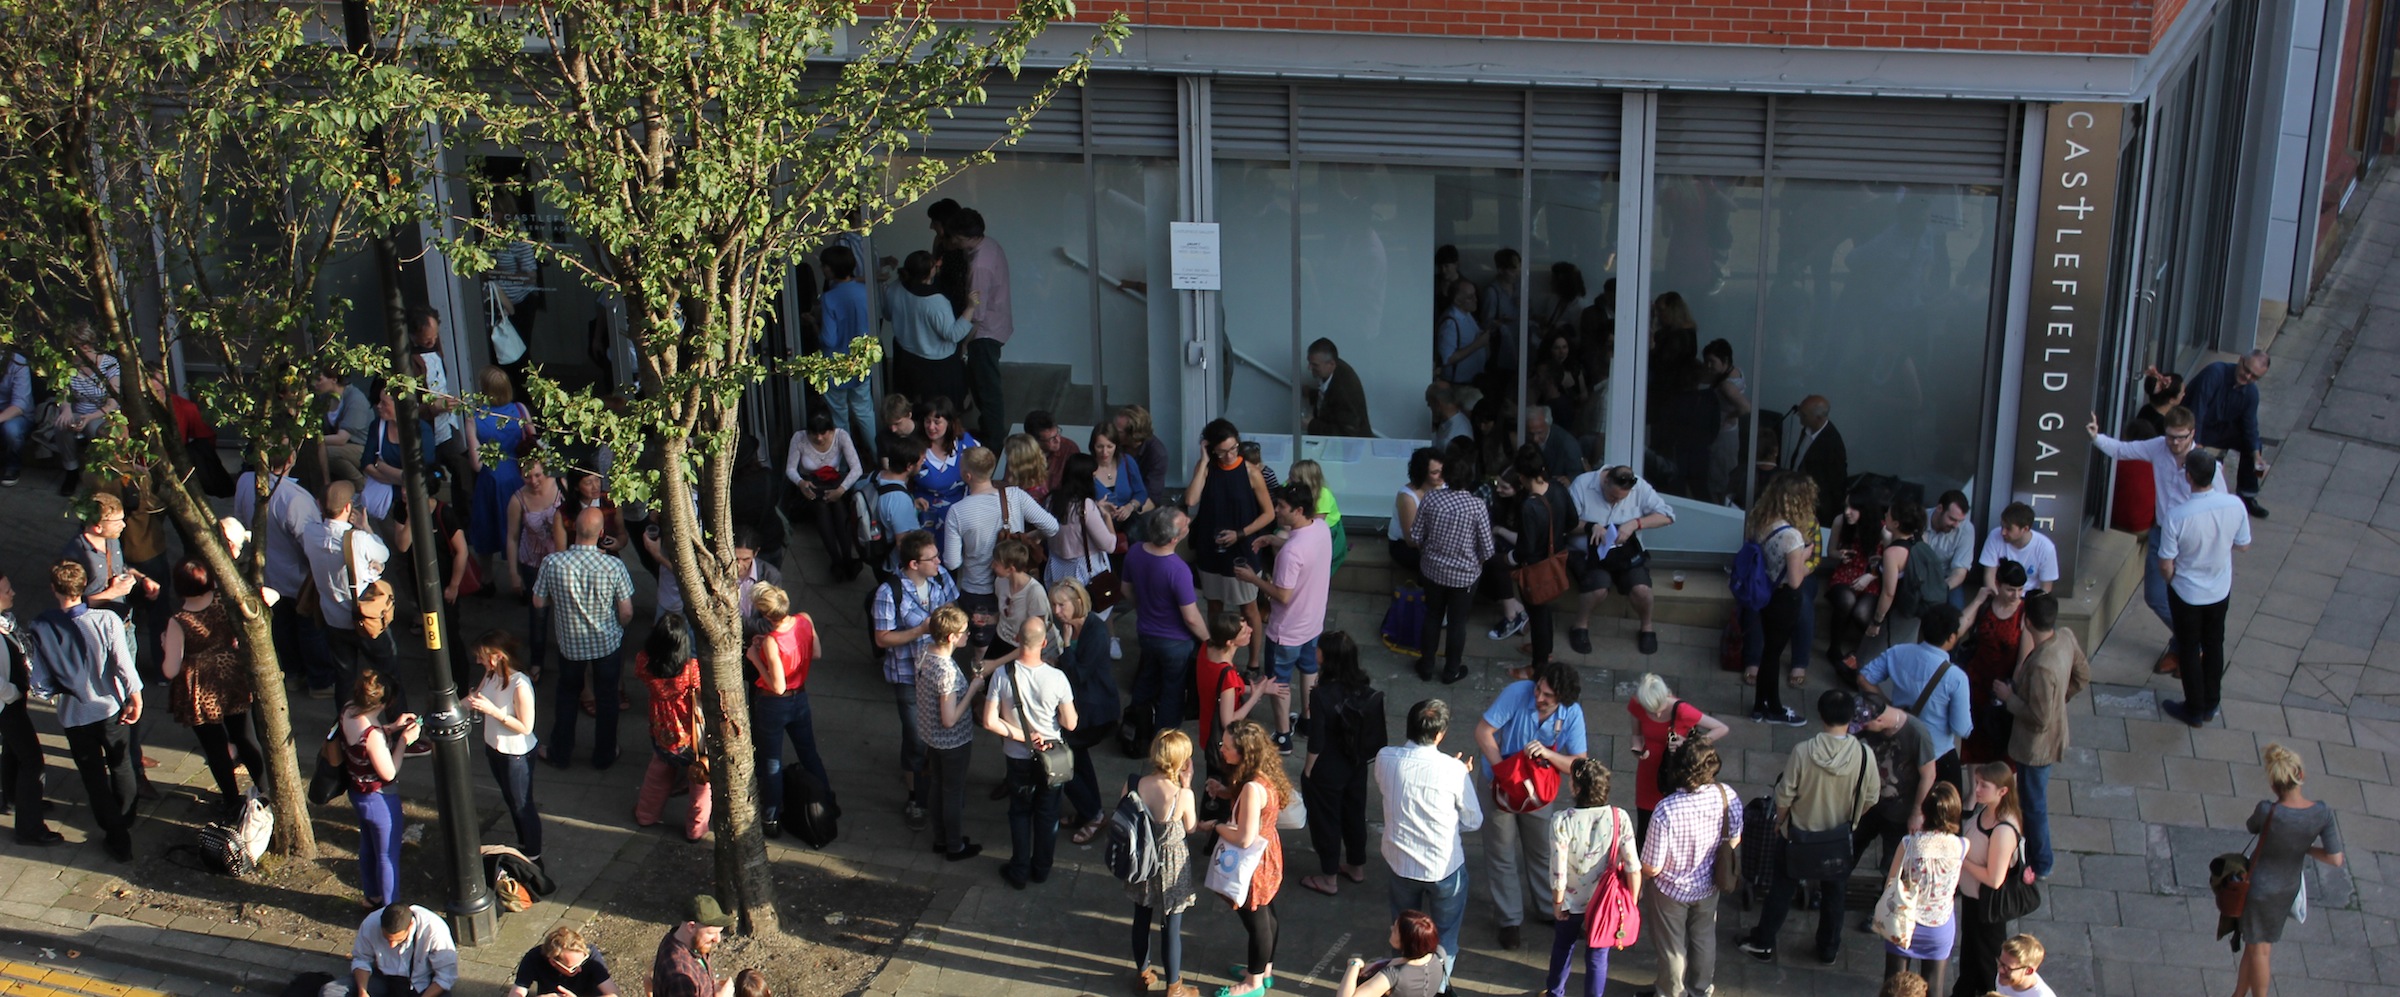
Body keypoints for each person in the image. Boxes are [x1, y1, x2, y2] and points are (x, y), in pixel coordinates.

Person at [1739, 689, 1880, 966]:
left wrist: (1780, 822)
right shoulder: (1864, 755)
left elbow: (1784, 795)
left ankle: (1763, 942)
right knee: (1834, 895)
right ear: (1851, 717)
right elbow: (1872, 797)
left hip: (1798, 836)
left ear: (1821, 715)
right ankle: (1828, 949)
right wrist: (1852, 820)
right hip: (1838, 839)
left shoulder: (1803, 752)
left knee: (1781, 889)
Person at [2087, 406, 2219, 675]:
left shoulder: (2204, 463)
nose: (2175, 443)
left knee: (2186, 595)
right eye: (2171, 436)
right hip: (2162, 531)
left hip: (2190, 538)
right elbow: (2123, 450)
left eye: (2181, 437)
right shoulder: (2158, 447)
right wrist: (2096, 437)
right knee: (2156, 596)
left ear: (2192, 434)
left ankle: (2183, 647)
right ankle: (2193, 640)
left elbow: (2222, 503)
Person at [27, 556, 144, 859]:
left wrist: (54, 694)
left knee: (93, 777)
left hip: (74, 715)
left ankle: (115, 834)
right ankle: (125, 818)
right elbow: (123, 665)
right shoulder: (106, 620)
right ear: (83, 587)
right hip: (110, 708)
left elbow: (39, 683)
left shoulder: (44, 628)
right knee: (122, 765)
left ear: (55, 589)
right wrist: (135, 696)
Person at [1475, 659, 1587, 949]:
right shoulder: (1517, 693)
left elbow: (1579, 762)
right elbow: (1483, 732)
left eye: (1547, 695)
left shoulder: (1572, 714)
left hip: (1537, 792)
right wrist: (1502, 773)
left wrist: (1549, 756)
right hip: (1498, 786)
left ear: (1561, 698)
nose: (1538, 697)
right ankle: (1509, 920)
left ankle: (1549, 908)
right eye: (1539, 689)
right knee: (1501, 853)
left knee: (1542, 851)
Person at [1376, 699, 1482, 988]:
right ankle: (1437, 988)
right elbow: (1474, 821)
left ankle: (1398, 985)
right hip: (1444, 868)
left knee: (1403, 932)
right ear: (1440, 734)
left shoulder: (1385, 758)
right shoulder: (1454, 771)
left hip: (1400, 863)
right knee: (1445, 938)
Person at [2230, 743, 2345, 996]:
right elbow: (2336, 859)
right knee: (2257, 945)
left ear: (2274, 784)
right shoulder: (2323, 813)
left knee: (2259, 949)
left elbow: (2252, 826)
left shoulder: (2267, 810)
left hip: (2258, 888)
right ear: (2300, 775)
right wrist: (2304, 847)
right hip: (2286, 888)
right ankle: (2238, 994)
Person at [1233, 483, 1332, 754]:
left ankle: (1283, 737)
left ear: (1298, 510)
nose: (1275, 510)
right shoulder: (1320, 529)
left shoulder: (1290, 554)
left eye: (1281, 507)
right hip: (1313, 623)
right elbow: (1305, 548)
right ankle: (1308, 722)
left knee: (1278, 682)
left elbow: (1282, 595)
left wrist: (1253, 579)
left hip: (1286, 630)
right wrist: (1275, 540)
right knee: (1309, 671)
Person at [532, 509, 634, 768]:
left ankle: (560, 752)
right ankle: (605, 754)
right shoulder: (614, 565)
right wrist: (618, 628)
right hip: (607, 642)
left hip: (570, 643)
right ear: (601, 533)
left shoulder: (553, 563)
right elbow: (626, 611)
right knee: (608, 697)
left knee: (567, 695)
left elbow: (538, 601)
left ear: (574, 530)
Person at [1995, 592, 2086, 879]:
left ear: (2027, 621)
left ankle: (2041, 862)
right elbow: (2082, 675)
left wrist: (2009, 697)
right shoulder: (2067, 638)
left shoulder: (2043, 666)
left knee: (2034, 806)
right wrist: (2062, 699)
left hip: (2036, 748)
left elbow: (2039, 718)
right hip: (2049, 739)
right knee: (2032, 800)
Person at [1640, 739, 1742, 997]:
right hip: (1709, 886)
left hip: (1670, 891)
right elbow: (1734, 838)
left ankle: (1671, 992)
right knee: (1704, 939)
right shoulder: (1727, 796)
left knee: (1672, 948)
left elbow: (1652, 866)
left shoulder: (1667, 809)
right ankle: (1700, 989)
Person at [872, 530, 957, 833]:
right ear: (913, 563)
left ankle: (930, 785)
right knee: (916, 738)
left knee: (938, 735)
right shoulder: (889, 592)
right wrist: (921, 629)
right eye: (931, 558)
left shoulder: (941, 578)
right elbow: (883, 638)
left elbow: (955, 614)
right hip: (908, 677)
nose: (939, 561)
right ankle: (915, 798)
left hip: (939, 674)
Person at [984, 616, 1077, 890]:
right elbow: (1071, 723)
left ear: (1017, 640)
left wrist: (1022, 736)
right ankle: (1042, 868)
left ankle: (1019, 869)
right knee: (1047, 815)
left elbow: (990, 721)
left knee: (1020, 812)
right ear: (1044, 643)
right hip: (1052, 758)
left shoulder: (1002, 674)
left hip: (1017, 756)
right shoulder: (1057, 678)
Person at [2159, 449, 2251, 727]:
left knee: (2188, 648)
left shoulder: (2177, 516)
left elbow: (2165, 562)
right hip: (2219, 589)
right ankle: (2211, 702)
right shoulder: (2235, 505)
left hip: (2187, 592)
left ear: (2188, 477)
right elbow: (2244, 544)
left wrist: (2173, 580)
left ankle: (2194, 708)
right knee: (2214, 644)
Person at [1199, 720, 1291, 997]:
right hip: (1269, 853)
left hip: (1254, 863)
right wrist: (1225, 791)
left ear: (1243, 752)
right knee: (1268, 914)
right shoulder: (1262, 774)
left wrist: (1215, 826)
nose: (1222, 750)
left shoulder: (1252, 787)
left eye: (1226, 747)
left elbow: (1244, 838)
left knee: (1257, 921)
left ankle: (1253, 984)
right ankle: (1264, 971)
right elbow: (1255, 805)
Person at [159, 560, 264, 805]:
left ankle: (231, 800)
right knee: (245, 736)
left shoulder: (179, 620)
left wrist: (166, 645)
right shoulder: (223, 602)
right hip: (232, 675)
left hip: (199, 686)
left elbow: (170, 669)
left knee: (215, 746)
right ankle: (264, 787)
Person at [941, 446, 1058, 654]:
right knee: (1018, 641)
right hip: (1016, 584)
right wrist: (1028, 539)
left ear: (967, 475)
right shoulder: (1015, 495)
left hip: (978, 589)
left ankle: (985, 683)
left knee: (982, 650)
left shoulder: (958, 512)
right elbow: (1052, 526)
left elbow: (952, 562)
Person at [1542, 759, 1638, 997]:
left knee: (1563, 946)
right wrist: (1631, 903)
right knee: (1598, 955)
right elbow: (1633, 867)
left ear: (1576, 788)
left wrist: (1557, 903)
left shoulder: (1562, 820)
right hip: (1606, 903)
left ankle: (1556, 992)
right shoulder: (1619, 817)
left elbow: (1559, 870)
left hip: (1571, 902)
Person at [1184, 420, 1274, 672]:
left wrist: (1241, 533)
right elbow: (1191, 499)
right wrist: (1203, 461)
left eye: (1233, 448)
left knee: (1249, 606)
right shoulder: (1207, 468)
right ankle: (1219, 656)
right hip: (1210, 546)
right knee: (1214, 603)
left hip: (1241, 548)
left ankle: (1254, 662)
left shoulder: (1250, 472)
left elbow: (1268, 514)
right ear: (1211, 448)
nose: (1229, 455)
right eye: (1222, 451)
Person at [1298, 632, 1384, 897]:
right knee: (1354, 814)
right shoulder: (1363, 686)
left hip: (1328, 767)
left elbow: (1317, 740)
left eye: (1319, 649)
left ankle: (1329, 877)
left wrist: (1308, 770)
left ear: (1328, 657)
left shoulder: (1321, 694)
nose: (1315, 652)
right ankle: (1356, 867)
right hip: (1356, 763)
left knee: (1327, 820)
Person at [749, 582, 834, 837]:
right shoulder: (804, 620)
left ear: (765, 615)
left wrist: (755, 657)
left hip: (774, 704)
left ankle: (771, 816)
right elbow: (815, 652)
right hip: (800, 699)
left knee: (771, 760)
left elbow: (777, 685)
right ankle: (827, 801)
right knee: (809, 753)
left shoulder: (772, 643)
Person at [1566, 465, 1675, 656]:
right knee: (1598, 588)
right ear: (1605, 481)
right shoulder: (1582, 484)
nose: (1616, 502)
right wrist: (1590, 526)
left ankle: (1647, 628)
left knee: (1642, 590)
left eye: (1621, 499)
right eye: (1613, 497)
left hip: (1624, 552)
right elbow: (1565, 522)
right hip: (1590, 552)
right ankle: (1579, 626)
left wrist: (1636, 523)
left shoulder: (1639, 487)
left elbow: (1667, 516)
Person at [1862, 604, 1972, 792]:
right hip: (1937, 754)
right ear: (1952, 637)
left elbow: (1864, 677)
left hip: (1898, 743)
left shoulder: (1898, 652)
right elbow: (1961, 728)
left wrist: (1888, 706)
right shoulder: (1956, 677)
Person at [1126, 729, 1201, 997]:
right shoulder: (1182, 795)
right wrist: (1188, 784)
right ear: (1182, 762)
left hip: (1141, 860)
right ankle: (1174, 988)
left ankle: (1143, 974)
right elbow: (1191, 827)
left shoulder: (1134, 783)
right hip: (1172, 862)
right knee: (1171, 926)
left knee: (1141, 917)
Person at [1125, 507, 1210, 743]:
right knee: (1172, 691)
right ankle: (1165, 741)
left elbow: (1125, 589)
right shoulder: (1178, 570)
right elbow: (1191, 617)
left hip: (1146, 632)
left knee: (1145, 680)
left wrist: (1144, 610)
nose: (1189, 522)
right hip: (1175, 642)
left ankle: (1135, 728)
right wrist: (1209, 641)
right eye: (1185, 524)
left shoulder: (1134, 552)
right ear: (1174, 539)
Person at [1412, 445, 1495, 685]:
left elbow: (1416, 534)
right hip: (1465, 576)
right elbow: (1487, 548)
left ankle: (1426, 665)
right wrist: (1473, 562)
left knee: (1432, 616)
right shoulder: (1477, 506)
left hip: (1432, 570)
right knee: (1458, 623)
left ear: (1445, 475)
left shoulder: (1431, 498)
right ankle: (1451, 670)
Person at [340, 668, 420, 906]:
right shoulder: (373, 735)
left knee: (367, 847)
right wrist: (404, 741)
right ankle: (390, 908)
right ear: (384, 702)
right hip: (379, 799)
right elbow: (388, 772)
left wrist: (392, 728)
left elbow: (360, 743)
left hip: (357, 793)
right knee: (387, 855)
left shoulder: (348, 710)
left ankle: (372, 895)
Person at [461, 631, 542, 860]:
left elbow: (526, 727)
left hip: (516, 754)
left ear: (497, 656)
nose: (478, 661)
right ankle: (523, 845)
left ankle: (533, 855)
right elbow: (475, 697)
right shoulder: (491, 675)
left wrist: (493, 712)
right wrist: (450, 711)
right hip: (495, 749)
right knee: (511, 800)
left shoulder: (520, 684)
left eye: (481, 656)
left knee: (522, 805)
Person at [913, 606, 985, 860]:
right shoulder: (947, 671)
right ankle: (954, 846)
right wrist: (973, 689)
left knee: (937, 786)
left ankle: (941, 839)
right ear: (952, 636)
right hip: (953, 742)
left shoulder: (924, 651)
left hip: (930, 735)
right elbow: (949, 718)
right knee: (953, 792)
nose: (969, 635)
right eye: (965, 631)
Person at [1052, 581, 1121, 843]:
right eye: (1055, 605)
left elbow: (1079, 674)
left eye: (1062, 605)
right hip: (1080, 707)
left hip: (1094, 711)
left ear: (1078, 603)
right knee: (1077, 759)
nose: (1057, 611)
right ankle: (1088, 811)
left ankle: (1092, 813)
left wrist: (1066, 646)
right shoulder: (1074, 626)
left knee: (1061, 763)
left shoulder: (1094, 631)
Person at [1952, 762, 2028, 997]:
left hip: (1987, 906)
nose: (1976, 790)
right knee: (1970, 956)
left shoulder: (2003, 830)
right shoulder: (1987, 809)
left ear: (2002, 791)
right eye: (1976, 783)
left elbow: (1995, 879)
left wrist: (1961, 860)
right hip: (1973, 899)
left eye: (1983, 785)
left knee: (1987, 963)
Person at [1881, 782, 1965, 996]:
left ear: (1925, 811)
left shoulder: (1909, 843)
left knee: (1894, 986)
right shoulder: (1962, 845)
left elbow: (1891, 880)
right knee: (1934, 990)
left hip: (1904, 922)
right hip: (1939, 925)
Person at [1746, 473, 1818, 720]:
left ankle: (1759, 706)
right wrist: (1806, 557)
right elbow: (1796, 579)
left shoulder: (1762, 522)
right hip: (1785, 599)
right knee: (1773, 654)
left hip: (1765, 593)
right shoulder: (1793, 536)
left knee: (1768, 651)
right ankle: (1773, 708)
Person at [1494, 447, 1574, 665]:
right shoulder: (1558, 488)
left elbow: (1525, 549)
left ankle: (1539, 667)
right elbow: (1573, 521)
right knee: (1544, 610)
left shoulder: (1530, 506)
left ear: (1521, 476)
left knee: (1537, 615)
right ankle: (1544, 649)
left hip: (1535, 567)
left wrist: (1507, 559)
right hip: (1555, 559)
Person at [1627, 673, 1729, 838]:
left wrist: (1691, 743)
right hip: (1648, 773)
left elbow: (1721, 728)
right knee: (1645, 827)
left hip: (1674, 773)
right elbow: (1636, 736)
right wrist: (1637, 749)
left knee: (1673, 825)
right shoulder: (1637, 704)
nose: (1657, 715)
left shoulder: (1681, 709)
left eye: (1659, 708)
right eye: (1651, 711)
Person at [634, 617, 709, 842]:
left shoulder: (644, 663)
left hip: (661, 729)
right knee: (700, 782)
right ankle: (695, 829)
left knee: (658, 773)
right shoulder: (691, 669)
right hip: (690, 737)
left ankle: (646, 815)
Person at [1852, 690, 1938, 879]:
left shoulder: (1917, 733)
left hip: (1899, 814)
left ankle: (1885, 904)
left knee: (1892, 864)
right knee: (1851, 847)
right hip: (1870, 804)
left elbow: (1929, 775)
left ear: (1880, 720)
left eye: (1865, 725)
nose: (1861, 729)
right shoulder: (1870, 724)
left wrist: (1917, 813)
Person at [944, 208, 1013, 443]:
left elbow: (977, 314)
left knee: (987, 391)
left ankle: (993, 442)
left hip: (984, 334)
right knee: (986, 387)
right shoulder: (988, 245)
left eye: (954, 237)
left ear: (964, 237)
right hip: (996, 324)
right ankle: (991, 433)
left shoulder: (979, 265)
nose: (952, 241)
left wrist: (963, 345)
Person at [0, 571, 58, 843]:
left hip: (13, 701)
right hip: (5, 706)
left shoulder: (5, 621)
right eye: (6, 590)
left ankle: (15, 799)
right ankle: (30, 828)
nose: (13, 593)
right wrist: (12, 693)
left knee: (13, 752)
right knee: (32, 761)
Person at [402, 307, 478, 509]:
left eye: (435, 336)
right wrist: (431, 408)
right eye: (428, 339)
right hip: (425, 430)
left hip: (446, 425)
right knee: (430, 477)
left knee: (463, 470)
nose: (433, 341)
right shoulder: (408, 362)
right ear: (413, 335)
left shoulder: (435, 348)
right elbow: (404, 407)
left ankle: (464, 518)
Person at [2184, 350, 2272, 517]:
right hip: (2194, 425)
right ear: (2240, 360)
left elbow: (2250, 425)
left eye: (2254, 377)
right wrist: (2197, 442)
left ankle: (2247, 495)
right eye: (2246, 371)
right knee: (2196, 449)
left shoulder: (2251, 393)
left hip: (2220, 428)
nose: (2247, 378)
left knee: (2253, 445)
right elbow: (2197, 410)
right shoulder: (2215, 373)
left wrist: (2256, 456)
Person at [1956, 563, 2027, 765]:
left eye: (2020, 590)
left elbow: (2022, 659)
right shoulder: (1986, 605)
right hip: (1977, 682)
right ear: (1998, 584)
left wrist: (2011, 691)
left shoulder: (2023, 612)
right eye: (2010, 589)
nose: (2016, 595)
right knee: (1973, 743)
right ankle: (1973, 792)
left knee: (2000, 747)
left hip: (2003, 687)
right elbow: (1958, 630)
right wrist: (1977, 600)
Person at [784, 410, 867, 581]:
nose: (819, 438)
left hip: (834, 482)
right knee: (821, 507)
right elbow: (790, 469)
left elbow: (857, 468)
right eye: (814, 434)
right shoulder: (799, 438)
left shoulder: (841, 436)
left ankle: (847, 557)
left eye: (824, 433)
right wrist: (801, 483)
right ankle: (836, 560)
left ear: (831, 430)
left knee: (838, 506)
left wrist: (841, 490)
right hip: (811, 484)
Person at [889, 251, 976, 408]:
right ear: (929, 273)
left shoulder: (895, 288)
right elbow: (953, 334)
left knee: (912, 403)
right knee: (940, 407)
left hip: (906, 356)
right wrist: (970, 307)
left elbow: (888, 314)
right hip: (937, 363)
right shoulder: (935, 302)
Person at [466, 366, 533, 561]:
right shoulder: (520, 410)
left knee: (486, 527)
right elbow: (535, 443)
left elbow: (477, 464)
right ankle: (520, 572)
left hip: (491, 480)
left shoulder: (475, 417)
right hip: (519, 477)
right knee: (520, 527)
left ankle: (487, 578)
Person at [815, 244, 877, 447]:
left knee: (839, 416)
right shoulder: (864, 291)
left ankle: (848, 463)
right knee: (864, 411)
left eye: (825, 266)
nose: (823, 269)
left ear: (831, 269)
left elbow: (829, 339)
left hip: (835, 364)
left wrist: (813, 324)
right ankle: (879, 458)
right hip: (861, 360)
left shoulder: (829, 297)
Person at [345, 903, 458, 997]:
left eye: (398, 940)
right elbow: (362, 959)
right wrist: (362, 991)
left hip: (422, 984)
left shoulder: (435, 931)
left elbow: (445, 976)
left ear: (410, 926)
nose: (392, 945)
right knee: (333, 990)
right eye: (386, 938)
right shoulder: (370, 924)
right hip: (385, 979)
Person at [1334, 910, 1444, 997]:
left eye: (1396, 930)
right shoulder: (1439, 954)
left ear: (1406, 941)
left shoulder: (1392, 975)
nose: (1391, 928)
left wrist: (1354, 964)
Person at [910, 396, 979, 532]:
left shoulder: (966, 443)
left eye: (937, 422)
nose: (931, 427)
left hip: (960, 518)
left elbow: (981, 474)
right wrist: (909, 501)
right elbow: (900, 477)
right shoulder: (914, 446)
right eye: (927, 421)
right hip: (925, 520)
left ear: (949, 422)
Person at [651, 895, 739, 997]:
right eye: (711, 933)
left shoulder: (680, 940)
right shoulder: (681, 979)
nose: (717, 939)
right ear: (691, 927)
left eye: (719, 932)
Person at [507, 925, 617, 997]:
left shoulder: (591, 954)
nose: (580, 969)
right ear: (553, 962)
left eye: (583, 961)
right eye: (573, 967)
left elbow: (614, 994)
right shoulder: (534, 958)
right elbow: (516, 992)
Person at [1790, 395, 1848, 526]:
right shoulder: (1807, 428)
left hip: (1815, 507)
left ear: (1818, 418)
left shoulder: (1833, 444)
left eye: (1804, 415)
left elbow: (1836, 484)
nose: (1799, 416)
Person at [1978, 503, 2058, 596]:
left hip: (2028, 599)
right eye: (2002, 526)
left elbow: (2046, 588)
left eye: (2008, 529)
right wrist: (1997, 600)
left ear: (2025, 529)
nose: (2003, 532)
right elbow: (1989, 575)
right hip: (2000, 595)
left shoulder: (2046, 548)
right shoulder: (1995, 536)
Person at [1304, 338, 1375, 437]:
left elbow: (1346, 434)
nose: (1309, 368)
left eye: (1315, 365)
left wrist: (1311, 425)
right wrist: (1312, 394)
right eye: (1309, 363)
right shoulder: (1331, 370)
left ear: (1331, 364)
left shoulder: (1345, 390)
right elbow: (1331, 399)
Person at [1387, 447, 1440, 575]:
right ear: (1422, 473)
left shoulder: (1445, 487)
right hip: (1405, 545)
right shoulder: (1407, 497)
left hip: (1435, 542)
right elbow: (1411, 539)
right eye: (1435, 472)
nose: (1441, 476)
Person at [1922, 491, 1976, 609]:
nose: (1956, 525)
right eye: (1952, 519)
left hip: (1947, 579)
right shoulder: (1920, 519)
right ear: (1939, 508)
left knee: (1955, 615)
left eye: (1960, 521)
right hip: (1920, 576)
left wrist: (1939, 590)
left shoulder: (1966, 529)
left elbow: (1959, 572)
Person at [1436, 278, 1488, 385]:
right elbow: (1447, 358)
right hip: (1458, 384)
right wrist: (1478, 344)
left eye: (1475, 295)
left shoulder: (1467, 313)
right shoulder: (1450, 323)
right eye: (1470, 297)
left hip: (1472, 378)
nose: (1476, 299)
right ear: (1457, 300)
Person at [0, 349, 31, 487]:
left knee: (11, 429)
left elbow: (19, 405)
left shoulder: (17, 361)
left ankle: (12, 466)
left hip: (17, 414)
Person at [1424, 384, 1472, 450]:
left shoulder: (1459, 432)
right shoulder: (1446, 423)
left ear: (1438, 404)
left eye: (1430, 403)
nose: (1429, 407)